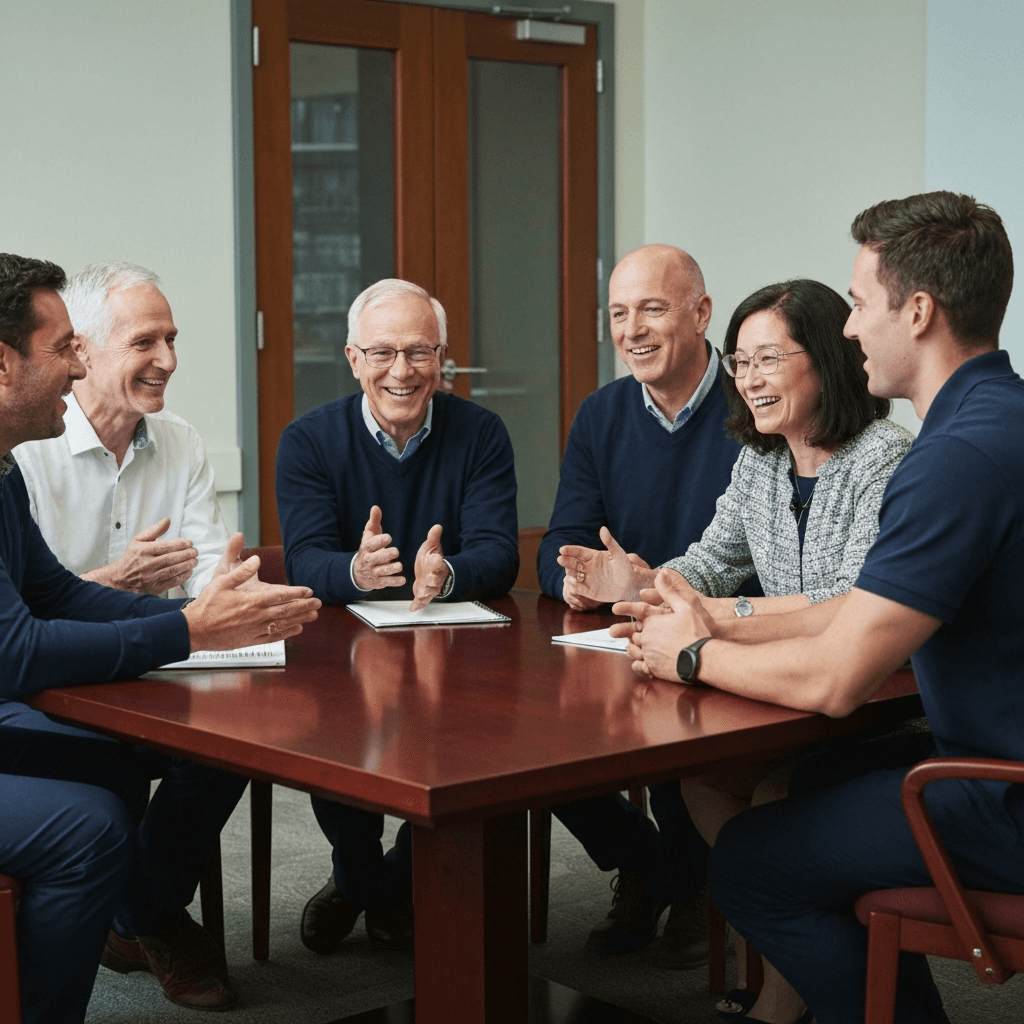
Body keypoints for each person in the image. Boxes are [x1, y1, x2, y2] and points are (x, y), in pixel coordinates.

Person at [614, 191, 1022, 1024]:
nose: (848, 328)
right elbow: (858, 607)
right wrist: (717, 619)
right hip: (987, 761)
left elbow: (839, 680)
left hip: (1002, 797)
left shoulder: (952, 460)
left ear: (918, 311)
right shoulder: (1001, 419)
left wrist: (691, 656)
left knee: (751, 866)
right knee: (801, 789)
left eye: (861, 304)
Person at [562, 277, 913, 1018]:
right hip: (785, 686)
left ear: (825, 359)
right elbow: (712, 557)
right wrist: (655, 583)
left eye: (768, 360)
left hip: (881, 701)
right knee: (706, 780)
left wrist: (714, 615)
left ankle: (783, 1001)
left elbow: (852, 601)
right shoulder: (762, 460)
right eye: (739, 363)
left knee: (778, 793)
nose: (748, 380)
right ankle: (815, 937)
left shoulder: (884, 457)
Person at [0, 253, 321, 1021]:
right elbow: (18, 651)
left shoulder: (2, 470)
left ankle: (137, 924)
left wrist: (205, 631)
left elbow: (57, 594)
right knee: (94, 825)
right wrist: (185, 628)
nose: (79, 367)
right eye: (64, 349)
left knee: (143, 758)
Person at [276, 278, 518, 953]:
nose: (402, 371)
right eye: (382, 352)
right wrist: (354, 572)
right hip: (348, 652)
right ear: (353, 359)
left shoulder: (482, 433)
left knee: (479, 750)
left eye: (419, 352)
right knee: (337, 743)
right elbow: (304, 560)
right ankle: (368, 881)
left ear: (443, 358)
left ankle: (372, 887)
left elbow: (501, 553)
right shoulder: (308, 441)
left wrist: (448, 574)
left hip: (459, 648)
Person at [537, 244, 761, 967]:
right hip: (617, 638)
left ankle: (690, 881)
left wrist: (656, 586)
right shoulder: (601, 414)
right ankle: (657, 866)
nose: (633, 329)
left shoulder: (753, 406)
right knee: (534, 744)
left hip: (719, 640)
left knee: (674, 734)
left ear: (701, 314)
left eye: (653, 309)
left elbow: (767, 562)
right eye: (619, 313)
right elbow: (562, 538)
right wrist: (574, 579)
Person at [14, 261, 228, 597]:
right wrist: (115, 580)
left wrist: (228, 588)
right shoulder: (23, 451)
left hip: (155, 645)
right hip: (60, 647)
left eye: (169, 340)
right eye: (143, 343)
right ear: (79, 350)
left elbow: (207, 564)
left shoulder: (181, 441)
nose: (169, 361)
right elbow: (15, 605)